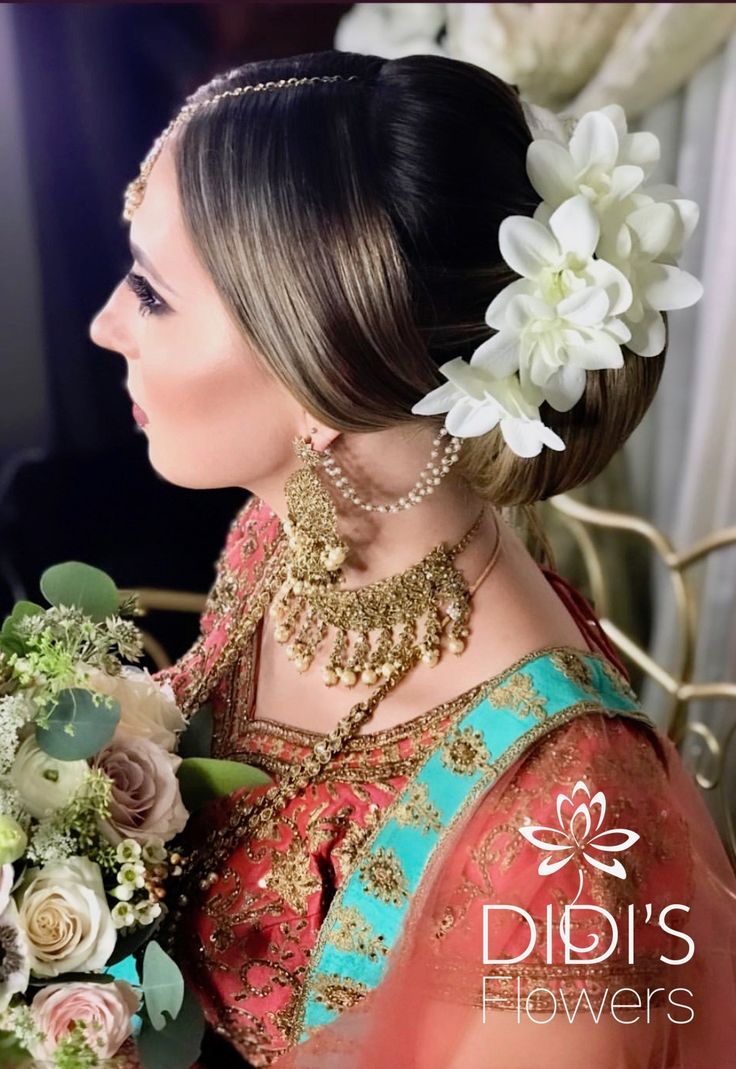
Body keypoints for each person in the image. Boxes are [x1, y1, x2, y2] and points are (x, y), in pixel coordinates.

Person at [89, 49, 736, 1069]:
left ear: (318, 365)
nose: (103, 324)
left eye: (152, 293)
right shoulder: (292, 530)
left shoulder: (561, 829)